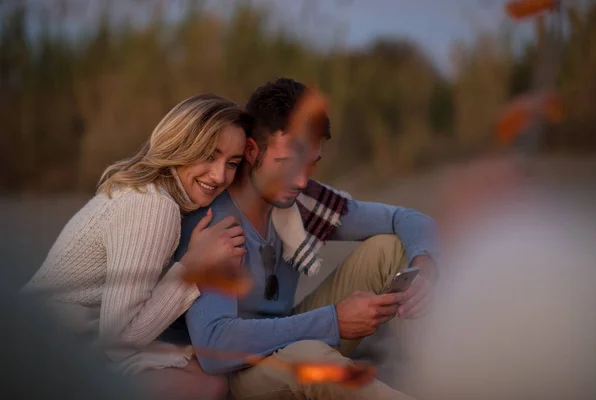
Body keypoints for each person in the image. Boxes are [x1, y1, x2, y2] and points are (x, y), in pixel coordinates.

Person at [175, 78, 440, 400]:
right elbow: (214, 346)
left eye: (310, 164)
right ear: (251, 150)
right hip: (238, 372)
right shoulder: (213, 223)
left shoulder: (304, 203)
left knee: (391, 249)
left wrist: (424, 266)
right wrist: (333, 321)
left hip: (295, 331)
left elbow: (407, 218)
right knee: (311, 359)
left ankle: (446, 371)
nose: (301, 181)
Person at [22, 94, 252, 400]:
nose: (220, 175)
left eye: (232, 163)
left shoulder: (152, 193)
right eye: (210, 155)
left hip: (64, 341)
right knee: (205, 383)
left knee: (203, 371)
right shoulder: (153, 206)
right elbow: (119, 340)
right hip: (39, 351)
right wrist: (195, 267)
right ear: (181, 144)